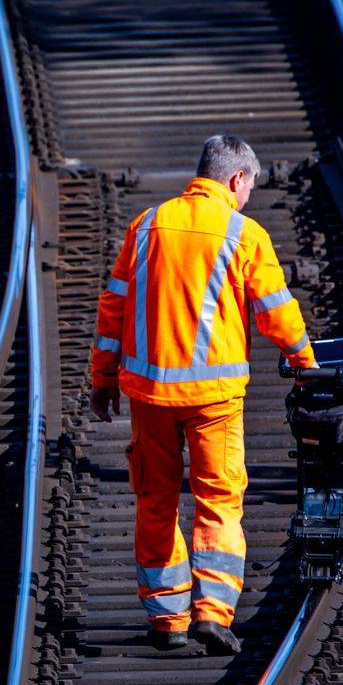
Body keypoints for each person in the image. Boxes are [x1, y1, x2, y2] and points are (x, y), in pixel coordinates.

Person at [89, 135, 316, 653]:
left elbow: (113, 310)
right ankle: (213, 613)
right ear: (236, 179)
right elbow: (276, 311)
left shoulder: (146, 226)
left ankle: (168, 618)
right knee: (218, 500)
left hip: (149, 397)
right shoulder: (244, 233)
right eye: (250, 186)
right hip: (214, 400)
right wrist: (306, 363)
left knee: (155, 500)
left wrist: (102, 380)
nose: (249, 196)